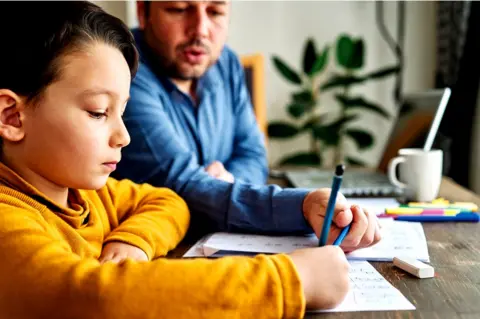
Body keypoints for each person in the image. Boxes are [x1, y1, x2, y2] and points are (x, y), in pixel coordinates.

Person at [0, 2, 380, 318]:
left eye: (122, 111)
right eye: (99, 112)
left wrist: (134, 238)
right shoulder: (9, 221)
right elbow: (96, 299)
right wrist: (289, 280)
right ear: (12, 117)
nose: (124, 136)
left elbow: (168, 200)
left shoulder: (84, 194)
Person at [113, 1, 382, 238]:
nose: (201, 29)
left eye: (215, 11)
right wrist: (303, 207)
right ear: (142, 12)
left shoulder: (226, 63)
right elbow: (182, 184)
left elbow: (253, 154)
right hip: (145, 247)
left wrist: (225, 183)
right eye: (179, 9)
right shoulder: (122, 70)